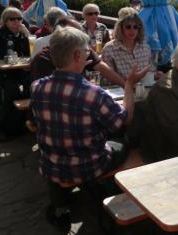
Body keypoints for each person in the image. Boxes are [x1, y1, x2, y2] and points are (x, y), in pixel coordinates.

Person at [31, 26, 148, 230]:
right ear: (77, 55)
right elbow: (123, 121)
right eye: (87, 51)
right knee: (125, 140)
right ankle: (116, 200)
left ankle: (61, 208)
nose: (89, 55)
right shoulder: (93, 94)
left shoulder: (38, 86)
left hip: (51, 163)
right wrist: (129, 85)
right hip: (89, 166)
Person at [30, 16, 125, 87]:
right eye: (77, 35)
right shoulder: (42, 58)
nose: (81, 38)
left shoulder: (83, 50)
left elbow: (104, 69)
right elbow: (54, 89)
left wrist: (125, 85)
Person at [0, 7, 31, 141]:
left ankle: (21, 124)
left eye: (19, 18)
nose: (17, 22)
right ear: (5, 21)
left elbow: (30, 53)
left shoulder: (23, 33)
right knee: (12, 91)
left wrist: (27, 36)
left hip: (18, 71)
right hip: (0, 71)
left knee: (31, 88)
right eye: (12, 19)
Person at [102, 8, 150, 82]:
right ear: (120, 28)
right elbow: (108, 78)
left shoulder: (145, 46)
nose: (132, 30)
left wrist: (156, 74)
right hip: (122, 90)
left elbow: (150, 71)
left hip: (144, 89)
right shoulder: (110, 49)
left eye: (135, 27)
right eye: (128, 27)